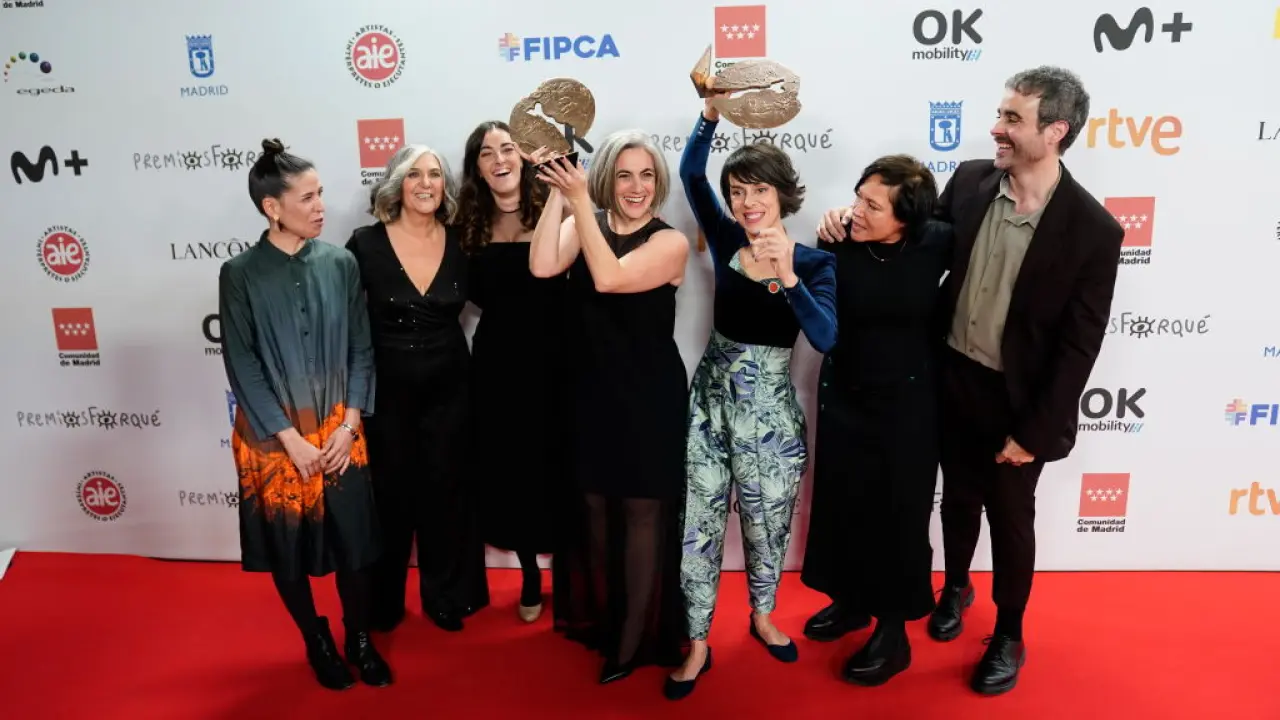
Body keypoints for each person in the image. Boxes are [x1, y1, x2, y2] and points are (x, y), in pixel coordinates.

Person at [818, 65, 1123, 695]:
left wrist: (1035, 431)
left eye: (1013, 119)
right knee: (954, 501)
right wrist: (846, 219)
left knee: (1010, 519)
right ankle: (954, 589)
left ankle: (1008, 634)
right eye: (1000, 115)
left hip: (1018, 402)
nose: (997, 129)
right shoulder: (970, 182)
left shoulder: (1093, 229)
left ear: (1055, 131)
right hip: (946, 381)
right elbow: (904, 235)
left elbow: (1080, 344)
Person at [663, 97, 837, 701]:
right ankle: (697, 642)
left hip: (771, 417)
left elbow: (826, 337)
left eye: (758, 190)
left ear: (783, 194)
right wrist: (709, 116)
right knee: (698, 523)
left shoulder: (815, 263)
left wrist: (788, 277)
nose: (747, 202)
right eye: (737, 191)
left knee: (768, 525)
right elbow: (691, 174)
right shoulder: (723, 235)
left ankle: (762, 615)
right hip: (709, 406)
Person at [219, 138, 391, 690]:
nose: (321, 207)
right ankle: (315, 638)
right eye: (308, 197)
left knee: (356, 546)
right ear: (272, 207)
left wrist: (350, 423)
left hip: (341, 432)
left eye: (321, 194)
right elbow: (242, 364)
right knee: (287, 549)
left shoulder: (341, 263)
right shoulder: (240, 273)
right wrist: (289, 439)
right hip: (274, 441)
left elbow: (361, 347)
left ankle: (359, 637)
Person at [529, 132, 691, 684]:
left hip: (648, 400)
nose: (636, 187)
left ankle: (633, 640)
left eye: (646, 175)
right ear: (606, 180)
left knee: (642, 515)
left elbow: (610, 277)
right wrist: (559, 189)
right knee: (595, 513)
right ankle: (605, 619)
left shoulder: (670, 242)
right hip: (591, 393)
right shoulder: (584, 218)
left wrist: (579, 201)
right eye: (624, 175)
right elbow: (542, 265)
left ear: (658, 183)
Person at [804, 155, 953, 687]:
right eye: (858, 197)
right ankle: (851, 603)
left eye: (873, 205)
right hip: (846, 398)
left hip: (909, 407)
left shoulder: (939, 242)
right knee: (844, 506)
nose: (857, 210)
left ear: (906, 218)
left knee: (898, 518)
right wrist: (837, 221)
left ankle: (893, 632)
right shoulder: (837, 242)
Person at [345, 144, 490, 635]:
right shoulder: (365, 244)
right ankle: (382, 604)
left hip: (451, 388)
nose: (425, 183)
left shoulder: (462, 242)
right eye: (414, 175)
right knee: (388, 498)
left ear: (446, 186)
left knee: (446, 493)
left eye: (434, 174)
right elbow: (343, 320)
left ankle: (445, 596)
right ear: (396, 184)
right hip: (386, 392)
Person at [455, 120, 569, 624]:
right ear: (477, 167)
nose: (499, 159)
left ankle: (572, 574)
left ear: (524, 158)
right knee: (514, 469)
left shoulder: (556, 207)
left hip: (559, 358)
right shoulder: (466, 225)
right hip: (499, 364)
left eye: (507, 148)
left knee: (562, 464)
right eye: (487, 153)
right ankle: (528, 573)